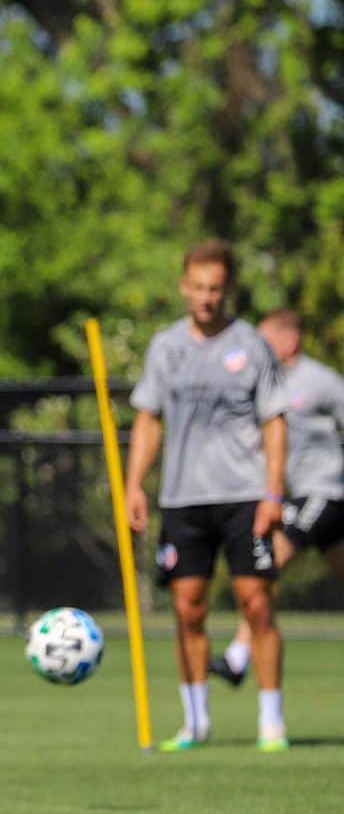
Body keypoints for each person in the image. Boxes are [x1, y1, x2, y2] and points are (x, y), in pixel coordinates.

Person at [125, 239, 290, 753]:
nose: (206, 297)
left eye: (215, 288)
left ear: (228, 289)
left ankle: (271, 721)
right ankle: (195, 722)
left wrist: (273, 492)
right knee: (187, 607)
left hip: (244, 495)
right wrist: (134, 484)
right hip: (183, 498)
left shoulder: (252, 345)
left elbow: (274, 422)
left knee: (256, 603)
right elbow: (149, 420)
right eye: (197, 287)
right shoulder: (165, 347)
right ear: (183, 286)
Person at [210, 309, 344, 686]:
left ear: (290, 340)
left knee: (264, 565)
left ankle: (237, 657)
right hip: (295, 495)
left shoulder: (320, 380)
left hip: (325, 492)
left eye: (265, 340)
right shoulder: (265, 381)